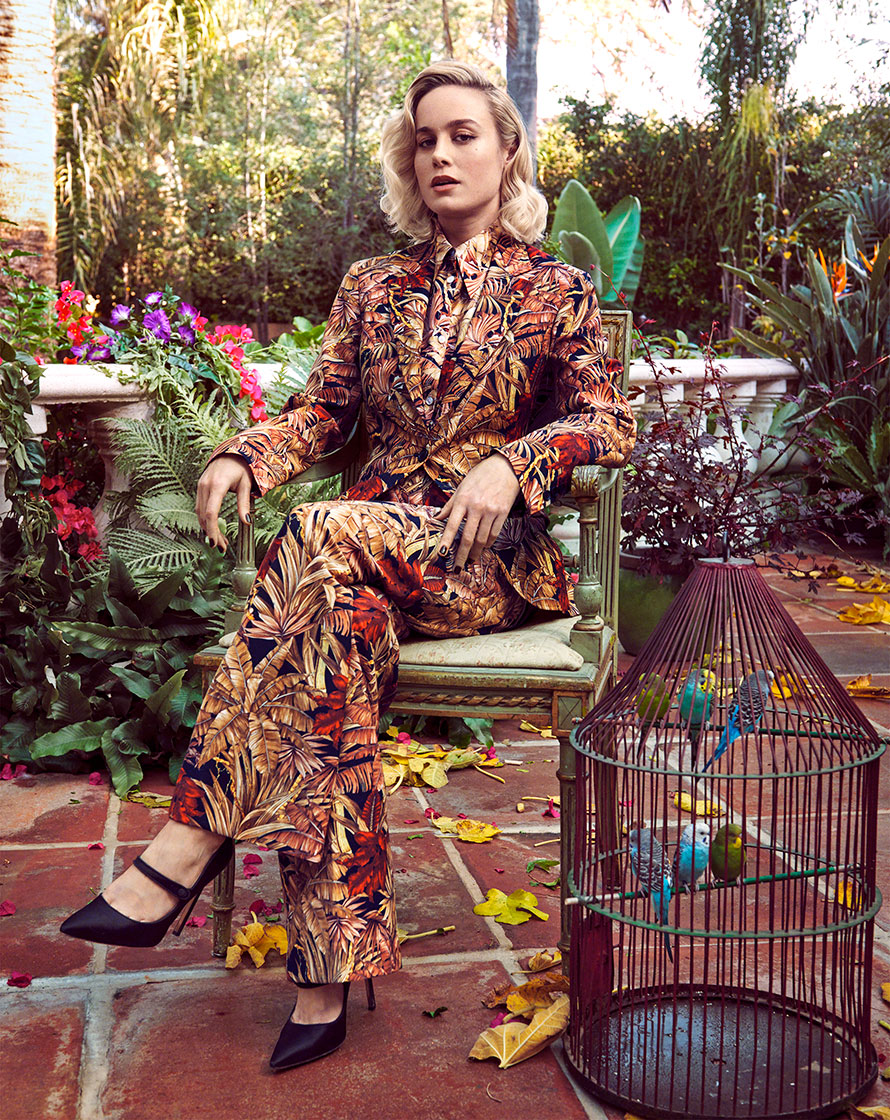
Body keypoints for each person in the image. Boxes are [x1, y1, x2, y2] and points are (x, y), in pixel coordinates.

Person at [60, 60, 636, 1070]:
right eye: (425, 140)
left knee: (318, 538)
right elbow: (323, 416)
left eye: (463, 134)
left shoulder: (557, 290)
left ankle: (187, 844)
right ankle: (324, 980)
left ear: (506, 152)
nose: (442, 154)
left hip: (482, 568)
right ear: (408, 164)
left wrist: (514, 460)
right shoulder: (371, 286)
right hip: (363, 565)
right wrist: (246, 451)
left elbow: (607, 423)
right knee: (327, 657)